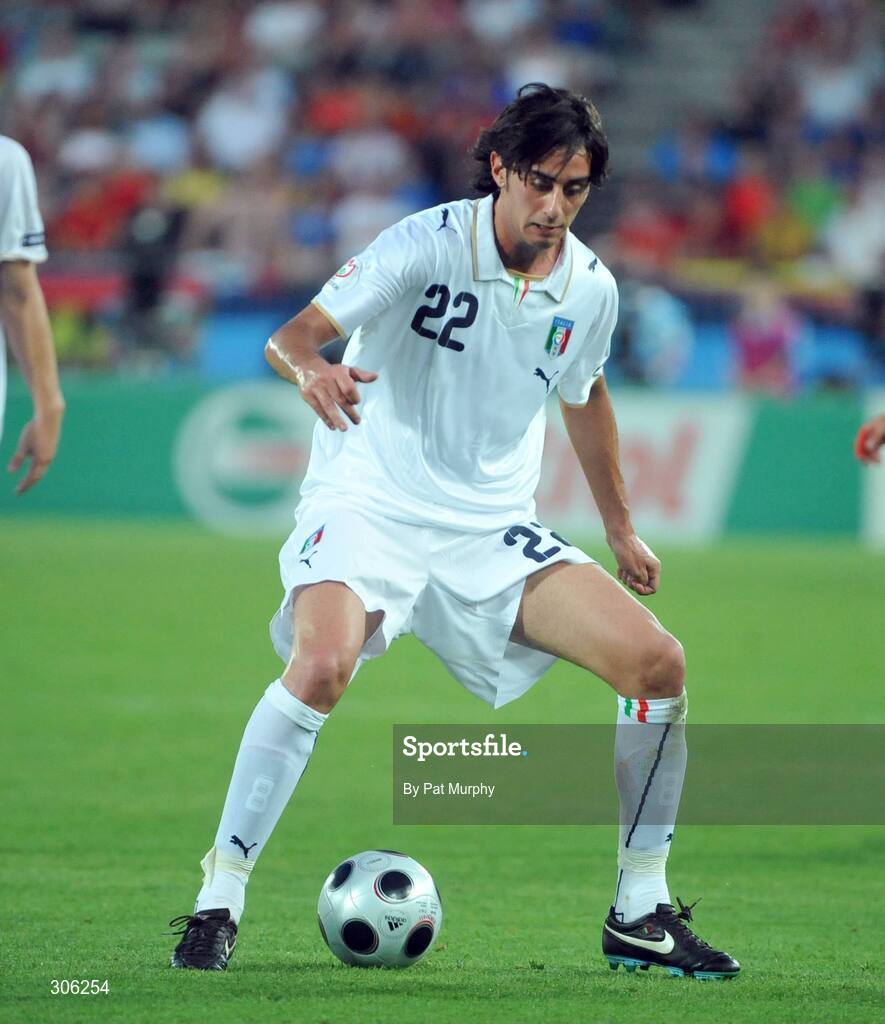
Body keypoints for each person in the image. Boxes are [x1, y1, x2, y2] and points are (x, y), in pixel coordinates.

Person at [169, 84, 739, 979]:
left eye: (576, 189)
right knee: (320, 669)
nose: (555, 207)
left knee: (657, 664)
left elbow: (584, 399)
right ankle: (219, 896)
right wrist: (309, 371)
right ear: (502, 169)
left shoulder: (588, 289)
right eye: (541, 183)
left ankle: (639, 908)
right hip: (369, 502)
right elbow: (293, 334)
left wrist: (621, 529)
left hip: (488, 529)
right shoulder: (424, 242)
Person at [0, 135, 64, 494]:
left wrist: (50, 406)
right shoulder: (5, 161)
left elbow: (17, 292)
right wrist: (49, 405)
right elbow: (17, 292)